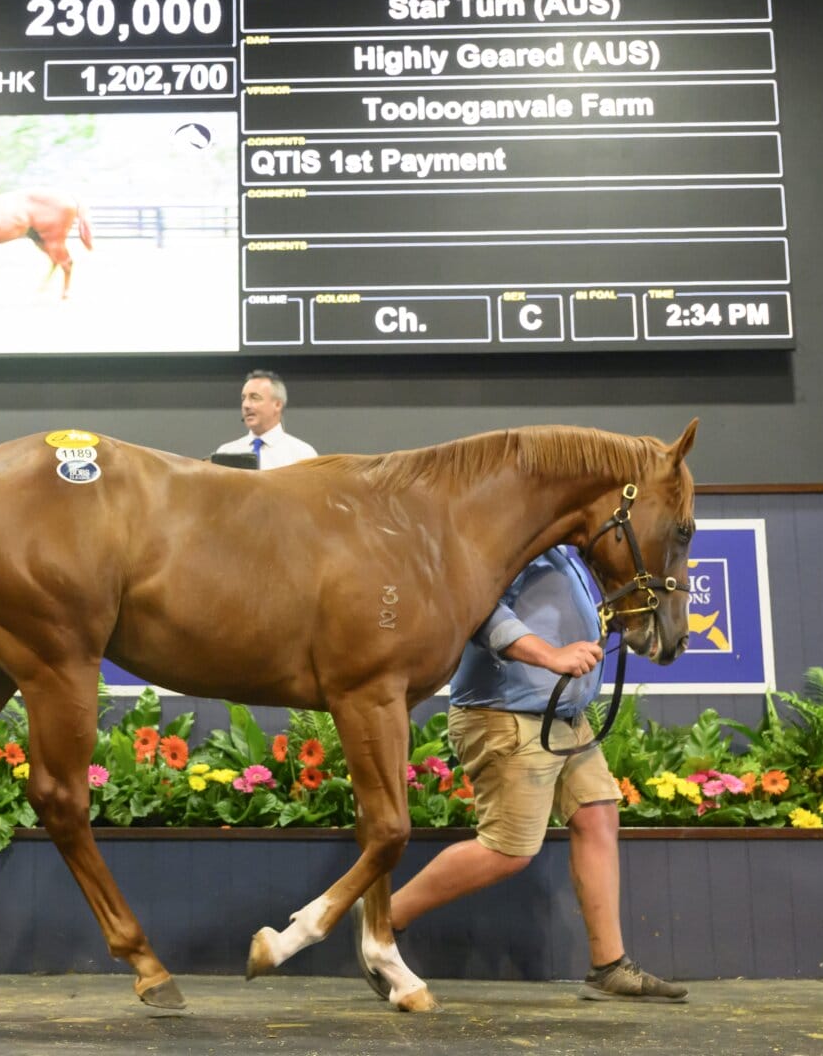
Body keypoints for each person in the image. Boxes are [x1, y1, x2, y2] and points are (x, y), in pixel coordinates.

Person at [356, 546, 687, 1003]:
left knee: (597, 815)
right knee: (506, 850)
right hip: (505, 715)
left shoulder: (561, 548)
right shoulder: (509, 538)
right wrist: (552, 656)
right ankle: (382, 918)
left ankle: (609, 967)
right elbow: (479, 611)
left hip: (565, 715)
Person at [213, 369, 318, 470]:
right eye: (243, 398)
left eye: (254, 397)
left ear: (277, 405)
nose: (246, 405)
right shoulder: (225, 453)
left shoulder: (303, 455)